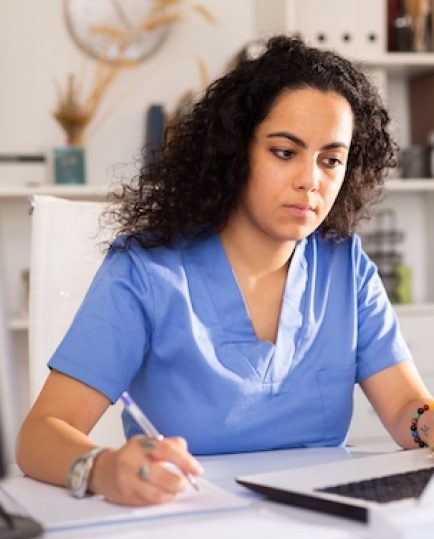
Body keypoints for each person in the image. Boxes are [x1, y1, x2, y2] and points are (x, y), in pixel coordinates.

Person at [16, 35, 434, 507]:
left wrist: (427, 421)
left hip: (325, 527)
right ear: (237, 151)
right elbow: (40, 436)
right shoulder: (147, 270)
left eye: (331, 160)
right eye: (284, 152)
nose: (309, 181)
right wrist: (104, 469)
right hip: (186, 523)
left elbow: (405, 408)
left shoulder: (345, 266)